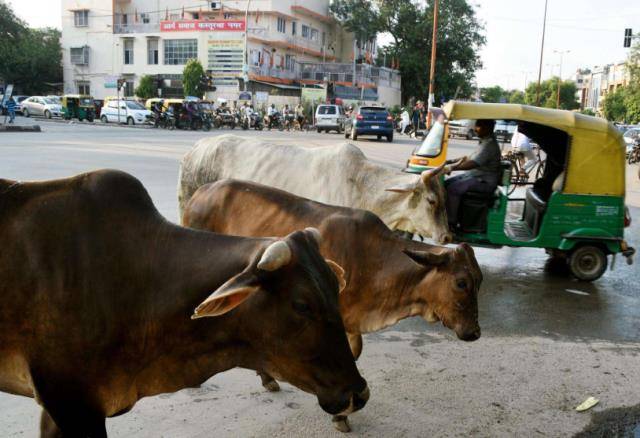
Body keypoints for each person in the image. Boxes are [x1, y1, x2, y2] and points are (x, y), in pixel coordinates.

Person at [444, 119, 502, 229]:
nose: (475, 129)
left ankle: (450, 223)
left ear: (487, 128)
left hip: (485, 182)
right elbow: (467, 158)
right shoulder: (484, 141)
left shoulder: (489, 145)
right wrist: (450, 162)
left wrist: (452, 167)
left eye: (478, 127)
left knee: (453, 189)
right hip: (475, 176)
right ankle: (449, 215)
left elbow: (473, 163)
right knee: (446, 184)